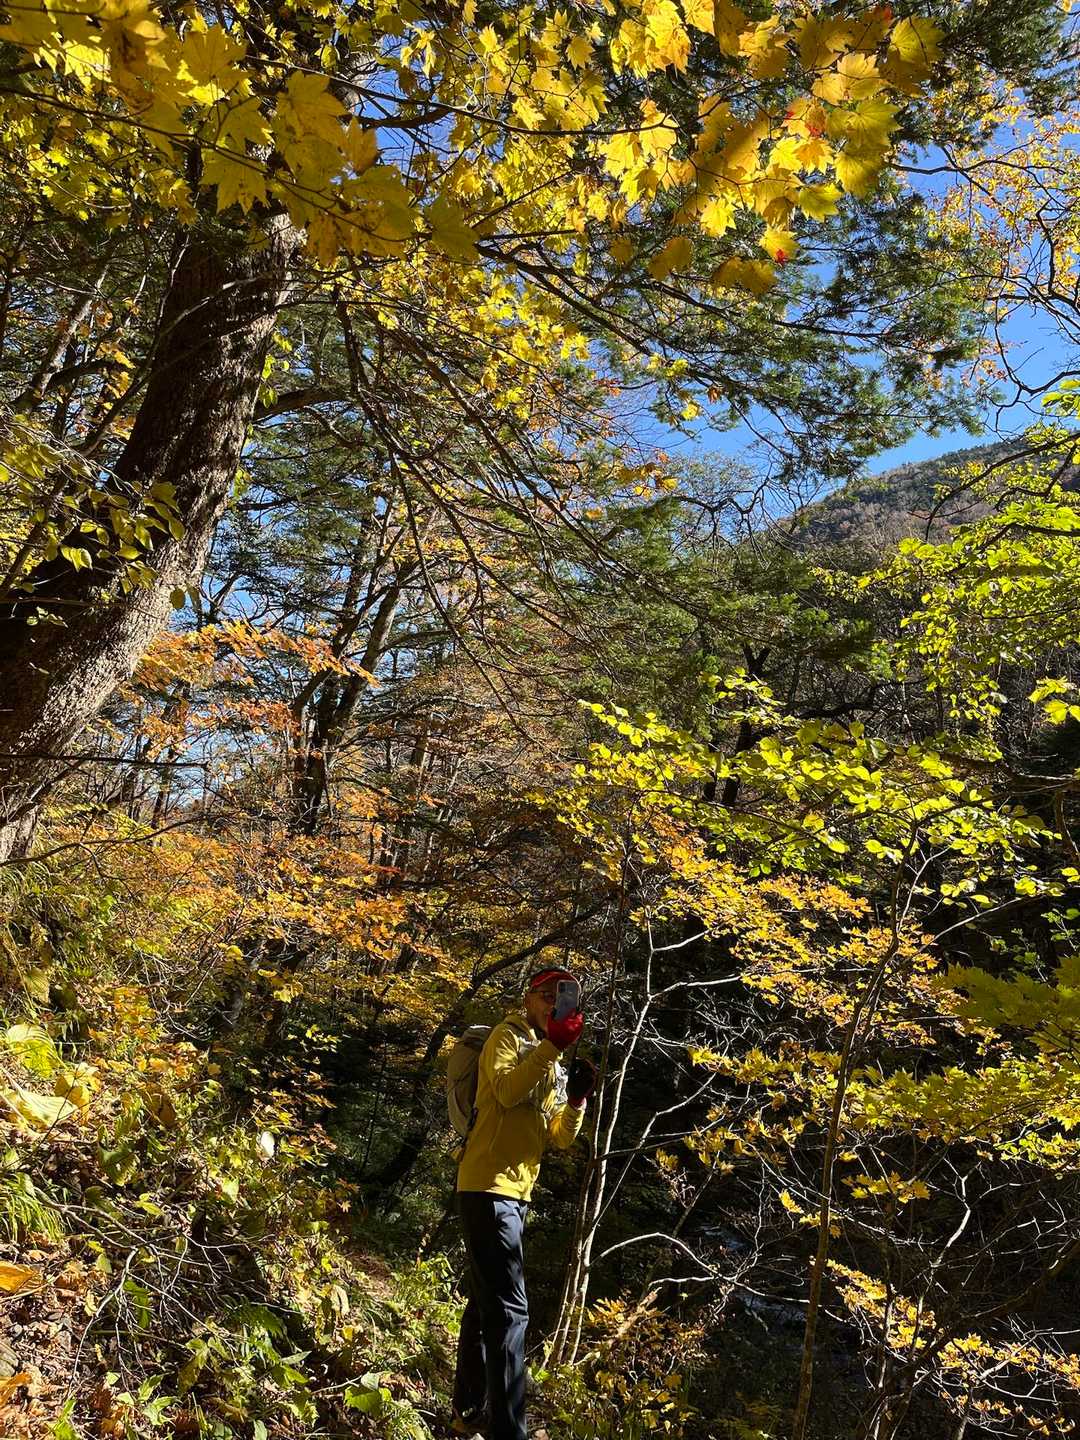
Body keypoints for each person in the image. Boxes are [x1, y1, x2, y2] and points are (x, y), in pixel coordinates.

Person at [452, 966, 597, 1440]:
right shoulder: (507, 1036)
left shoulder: (548, 1061)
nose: (555, 1003)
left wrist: (575, 1101)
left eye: (563, 997)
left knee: (485, 1305)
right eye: (547, 995)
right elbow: (507, 1091)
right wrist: (552, 1046)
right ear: (528, 999)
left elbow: (559, 1137)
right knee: (512, 1311)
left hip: (515, 1193)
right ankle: (508, 1430)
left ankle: (469, 1410)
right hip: (488, 1186)